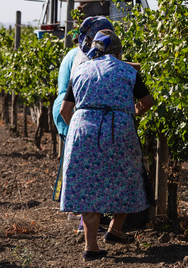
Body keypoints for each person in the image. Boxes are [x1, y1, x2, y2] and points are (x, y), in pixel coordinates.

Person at [60, 29, 154, 261]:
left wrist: (77, 129)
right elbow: (147, 101)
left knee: (87, 184)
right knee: (125, 178)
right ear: (118, 50)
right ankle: (115, 228)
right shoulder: (127, 71)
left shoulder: (80, 71)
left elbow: (64, 110)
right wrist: (134, 112)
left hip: (84, 130)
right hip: (118, 128)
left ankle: (91, 246)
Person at [52, 16, 115, 227]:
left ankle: (73, 207)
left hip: (66, 109)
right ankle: (81, 213)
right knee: (86, 166)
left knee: (72, 161)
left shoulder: (73, 53)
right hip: (75, 111)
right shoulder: (88, 58)